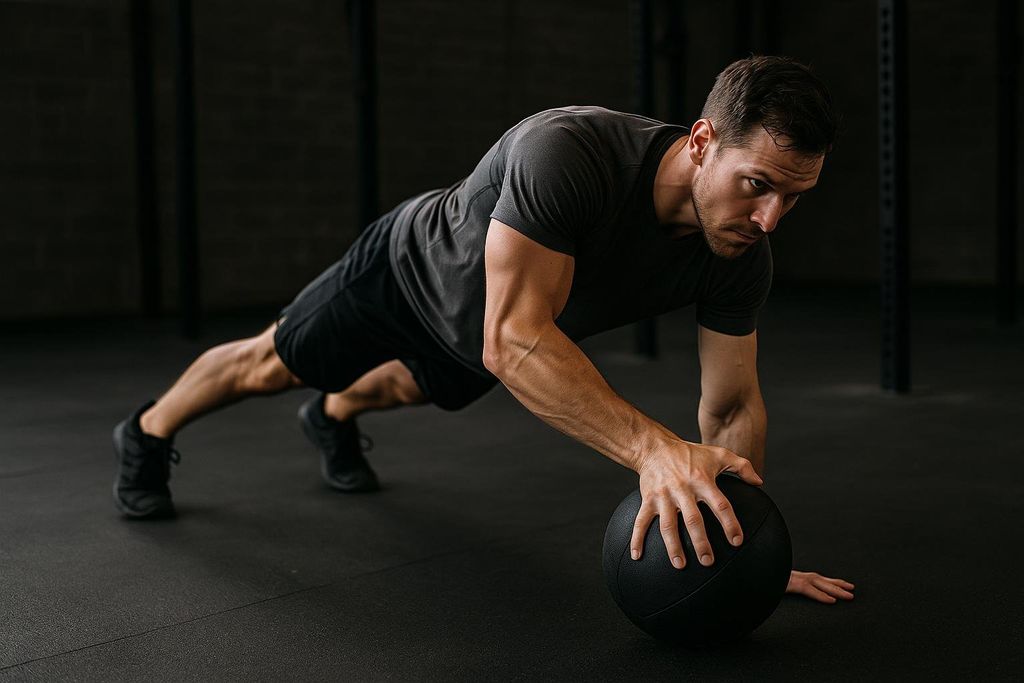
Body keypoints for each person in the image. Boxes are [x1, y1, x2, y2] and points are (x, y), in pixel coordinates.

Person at [112, 55, 855, 605]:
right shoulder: (572, 153)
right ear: (701, 142)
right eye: (757, 185)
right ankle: (146, 432)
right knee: (271, 364)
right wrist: (654, 450)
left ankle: (335, 414)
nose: (769, 220)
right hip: (408, 273)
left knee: (404, 386)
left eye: (794, 199)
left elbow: (729, 408)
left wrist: (745, 547)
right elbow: (515, 341)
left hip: (490, 336)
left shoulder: (735, 251)